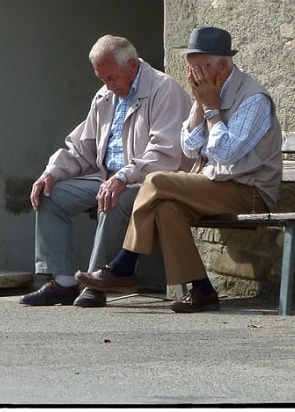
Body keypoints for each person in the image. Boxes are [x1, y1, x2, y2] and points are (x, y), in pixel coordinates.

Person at [74, 26, 283, 313]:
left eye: (199, 68)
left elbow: (227, 153)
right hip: (213, 183)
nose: (193, 76)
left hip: (250, 190)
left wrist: (210, 108)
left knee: (157, 181)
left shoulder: (253, 98)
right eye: (190, 68)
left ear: (222, 66)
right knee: (165, 208)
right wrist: (201, 104)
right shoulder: (208, 94)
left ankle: (124, 264)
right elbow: (188, 146)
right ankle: (202, 289)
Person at [20, 35, 191, 308]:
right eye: (102, 79)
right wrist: (51, 172)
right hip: (107, 177)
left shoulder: (164, 90)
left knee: (114, 199)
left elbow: (166, 153)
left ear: (133, 65)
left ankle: (95, 285)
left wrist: (124, 176)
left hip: (151, 182)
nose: (108, 86)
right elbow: (81, 147)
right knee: (51, 194)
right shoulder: (105, 96)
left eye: (111, 78)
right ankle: (63, 282)